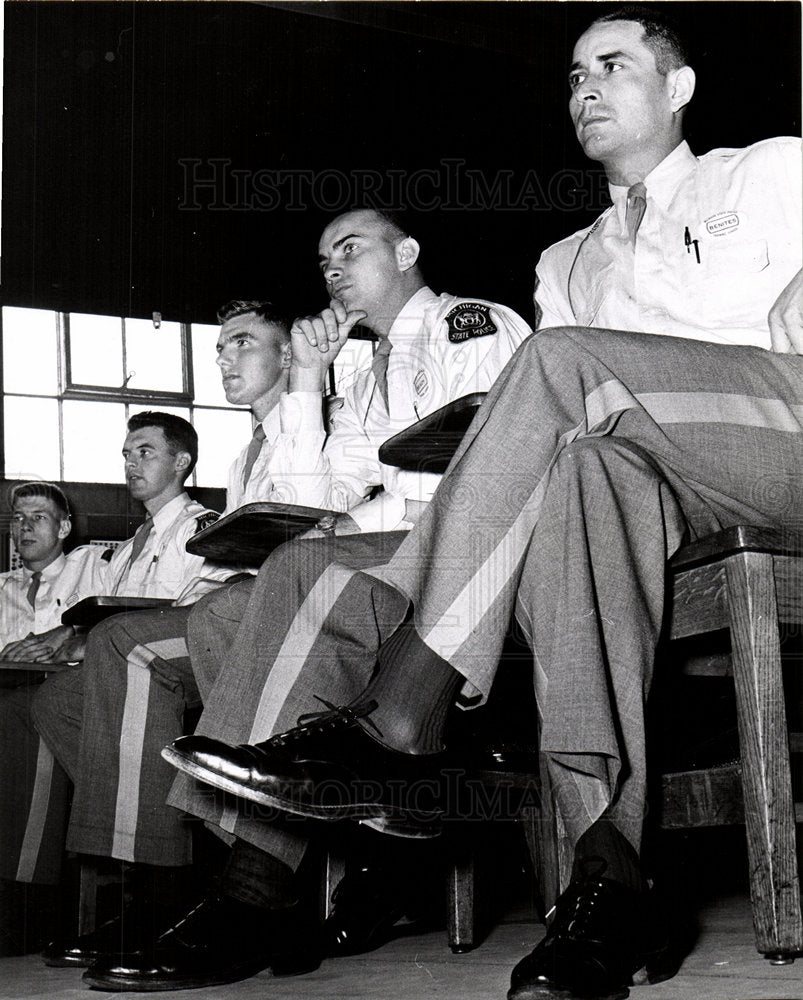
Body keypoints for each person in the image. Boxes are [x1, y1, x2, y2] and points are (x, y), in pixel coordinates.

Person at [153, 8, 803, 1000]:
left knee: (556, 369)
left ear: (675, 90)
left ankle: (405, 699)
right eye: (573, 73)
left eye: (612, 66)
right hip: (640, 471)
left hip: (771, 429)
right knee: (576, 482)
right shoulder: (564, 262)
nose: (583, 86)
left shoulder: (762, 173)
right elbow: (569, 436)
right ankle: (603, 874)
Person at [35, 208, 531, 988]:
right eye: (323, 258)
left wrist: (329, 535)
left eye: (351, 249)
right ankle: (265, 876)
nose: (331, 268)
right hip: (388, 548)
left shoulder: (468, 324)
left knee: (295, 573)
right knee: (244, 600)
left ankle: (256, 890)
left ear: (406, 253)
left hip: (467, 550)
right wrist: (306, 379)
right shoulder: (358, 371)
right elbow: (315, 499)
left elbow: (483, 467)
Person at [0, 412, 231, 920]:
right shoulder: (125, 552)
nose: (130, 462)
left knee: (118, 674)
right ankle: (153, 829)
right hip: (126, 665)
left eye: (144, 451)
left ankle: (161, 874)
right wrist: (71, 642)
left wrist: (81, 633)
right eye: (126, 454)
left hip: (190, 667)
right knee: (52, 702)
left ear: (182, 461)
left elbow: (209, 613)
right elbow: (108, 627)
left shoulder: (204, 530)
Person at [0, 482, 99, 662]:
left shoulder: (94, 570)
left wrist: (73, 630)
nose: (25, 527)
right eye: (18, 518)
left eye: (38, 517)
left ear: (63, 528)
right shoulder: (2, 588)